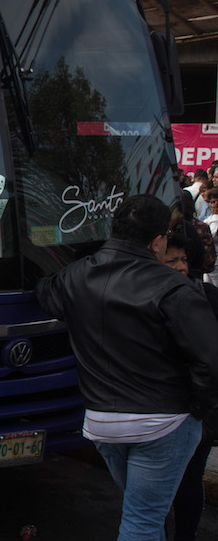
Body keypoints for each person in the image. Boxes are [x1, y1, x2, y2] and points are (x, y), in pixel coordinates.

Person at [36, 194, 218, 541]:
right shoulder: (174, 288)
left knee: (144, 513)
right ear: (158, 241)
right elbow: (210, 361)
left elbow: (44, 292)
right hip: (163, 421)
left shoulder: (76, 276)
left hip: (102, 423)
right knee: (143, 521)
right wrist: (196, 410)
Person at [162, 232, 218, 541]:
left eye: (183, 259)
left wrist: (203, 407)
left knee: (189, 481)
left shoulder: (207, 296)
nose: (180, 267)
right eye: (171, 260)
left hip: (197, 412)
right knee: (156, 492)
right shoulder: (143, 299)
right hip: (159, 411)